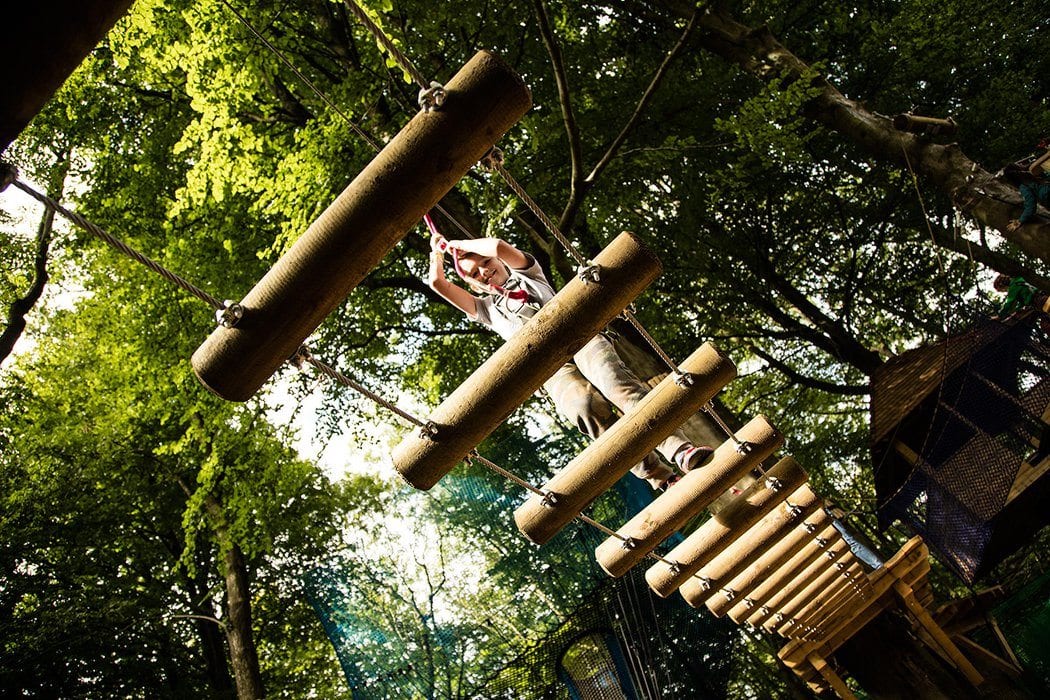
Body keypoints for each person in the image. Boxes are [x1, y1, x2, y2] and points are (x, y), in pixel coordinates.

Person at [425, 225, 713, 489]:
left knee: (614, 383)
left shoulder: (528, 274)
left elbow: (499, 246)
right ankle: (659, 476)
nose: (484, 272)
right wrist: (436, 253)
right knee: (584, 407)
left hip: (580, 338)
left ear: (496, 261)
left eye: (485, 263)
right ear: (473, 285)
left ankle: (680, 449)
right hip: (553, 371)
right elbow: (438, 283)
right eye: (474, 275)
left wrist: (458, 245)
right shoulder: (486, 309)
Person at [1005, 142, 1050, 232]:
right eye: (1019, 166)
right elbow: (1030, 207)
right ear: (1017, 173)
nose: (1022, 166)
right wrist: (1020, 221)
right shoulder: (1024, 186)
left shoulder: (1036, 172)